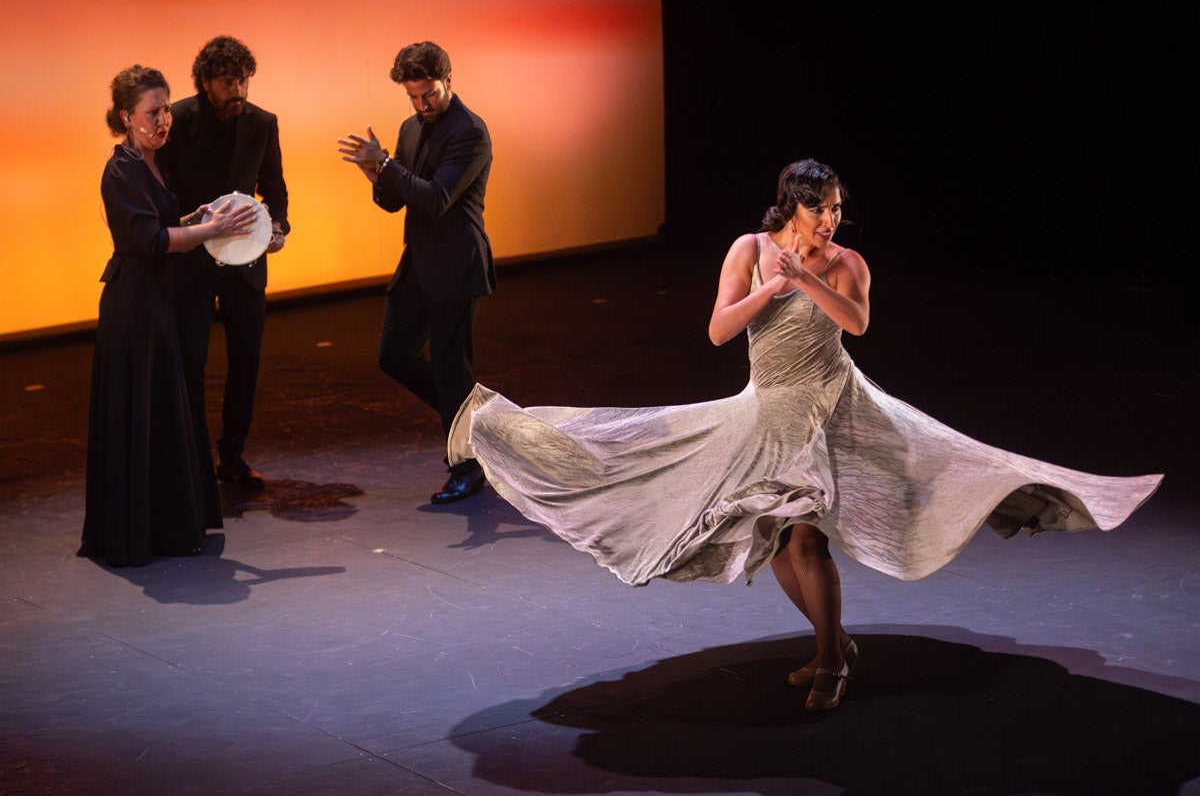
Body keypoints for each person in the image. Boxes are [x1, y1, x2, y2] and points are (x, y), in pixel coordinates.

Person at [444, 159, 1163, 710]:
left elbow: (856, 325)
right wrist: (772, 285)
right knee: (776, 533)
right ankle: (834, 640)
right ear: (793, 206)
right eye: (822, 211)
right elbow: (721, 329)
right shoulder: (750, 248)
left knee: (812, 532)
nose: (832, 222)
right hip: (769, 408)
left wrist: (810, 278)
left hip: (835, 403)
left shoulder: (849, 263)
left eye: (839, 211)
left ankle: (832, 657)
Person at [79, 65, 258, 567]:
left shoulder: (152, 163)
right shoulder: (121, 170)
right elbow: (151, 242)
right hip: (135, 307)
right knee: (147, 408)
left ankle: (166, 523)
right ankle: (144, 529)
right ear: (125, 117)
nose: (162, 121)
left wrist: (200, 221)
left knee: (163, 408)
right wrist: (207, 230)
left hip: (160, 299)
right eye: (151, 113)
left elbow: (163, 226)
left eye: (165, 110)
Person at [337, 40, 495, 504]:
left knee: (450, 367)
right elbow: (394, 200)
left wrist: (388, 166)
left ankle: (467, 463)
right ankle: (474, 416)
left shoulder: (471, 132)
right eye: (414, 97)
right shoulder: (410, 127)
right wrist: (374, 171)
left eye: (430, 95)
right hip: (419, 260)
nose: (422, 105)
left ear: (449, 80)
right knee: (394, 355)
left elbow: (437, 199)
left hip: (457, 262)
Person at [158, 35, 290, 490]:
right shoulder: (176, 119)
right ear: (205, 82)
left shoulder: (262, 123)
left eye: (244, 81)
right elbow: (162, 191)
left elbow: (275, 189)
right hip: (191, 261)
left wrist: (279, 230)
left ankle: (232, 454)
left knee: (245, 360)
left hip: (245, 263)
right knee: (190, 360)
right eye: (227, 82)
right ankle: (191, 456)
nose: (238, 90)